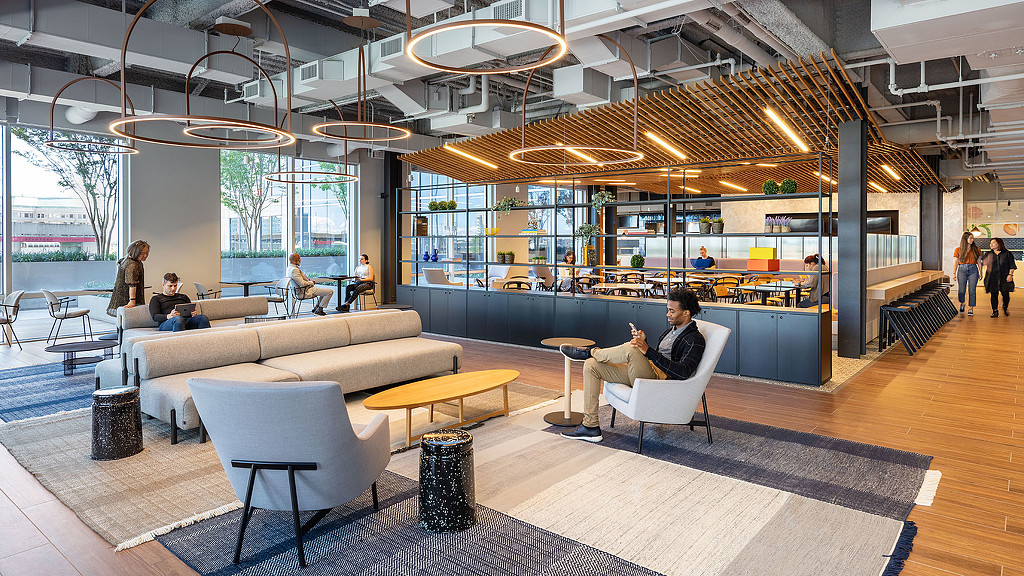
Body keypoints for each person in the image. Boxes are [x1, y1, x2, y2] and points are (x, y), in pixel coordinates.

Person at [557, 287, 706, 442]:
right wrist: (645, 342)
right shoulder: (671, 331)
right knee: (591, 365)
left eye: (672, 311)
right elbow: (659, 357)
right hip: (649, 372)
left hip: (661, 383)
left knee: (631, 348)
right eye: (667, 310)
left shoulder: (695, 339)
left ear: (686, 313)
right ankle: (590, 427)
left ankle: (590, 351)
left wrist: (647, 350)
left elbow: (683, 372)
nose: (667, 314)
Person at [107, 239, 149, 316]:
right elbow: (132, 283)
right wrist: (132, 300)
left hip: (125, 297)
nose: (145, 255)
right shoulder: (132, 265)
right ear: (135, 252)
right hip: (126, 298)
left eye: (147, 253)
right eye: (143, 253)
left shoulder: (128, 260)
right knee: (129, 320)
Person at [983, 237, 1017, 317]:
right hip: (992, 277)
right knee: (993, 294)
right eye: (990, 243)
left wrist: (1010, 275)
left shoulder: (1007, 254)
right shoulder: (988, 254)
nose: (991, 244)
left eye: (993, 243)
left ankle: (1005, 306)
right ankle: (995, 311)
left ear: (999, 244)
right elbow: (983, 263)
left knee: (1005, 294)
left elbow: (1012, 265)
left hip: (1004, 277)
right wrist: (986, 261)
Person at [953, 231, 982, 316]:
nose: (972, 240)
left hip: (973, 269)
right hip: (962, 269)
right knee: (962, 290)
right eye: (970, 238)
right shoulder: (958, 250)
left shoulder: (977, 249)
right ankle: (962, 303)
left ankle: (971, 308)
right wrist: (954, 273)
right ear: (965, 239)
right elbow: (955, 262)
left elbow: (979, 262)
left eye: (973, 238)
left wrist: (981, 272)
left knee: (972, 290)